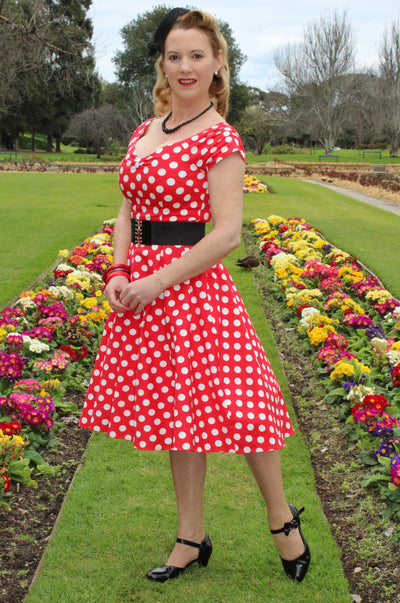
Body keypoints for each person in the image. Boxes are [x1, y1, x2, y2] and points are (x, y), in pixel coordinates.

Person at [79, 7, 310, 584]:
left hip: (194, 291)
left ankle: (283, 522)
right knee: (178, 417)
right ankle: (190, 536)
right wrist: (119, 268)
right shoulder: (144, 130)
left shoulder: (221, 139)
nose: (184, 66)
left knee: (242, 410)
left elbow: (228, 234)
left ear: (217, 66)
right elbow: (127, 207)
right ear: (163, 63)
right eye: (174, 55)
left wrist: (156, 281)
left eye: (196, 56)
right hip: (141, 287)